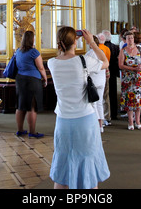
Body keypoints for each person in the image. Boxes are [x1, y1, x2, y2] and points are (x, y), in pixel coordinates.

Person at [47, 27, 110, 189]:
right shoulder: (83, 61)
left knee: (63, 166)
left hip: (63, 120)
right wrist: (92, 43)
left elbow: (62, 57)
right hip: (85, 120)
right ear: (76, 41)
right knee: (88, 164)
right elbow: (105, 62)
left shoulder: (52, 63)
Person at [15, 30, 47, 138]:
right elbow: (41, 67)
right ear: (32, 39)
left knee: (20, 105)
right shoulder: (34, 52)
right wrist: (45, 78)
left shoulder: (18, 51)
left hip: (20, 80)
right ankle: (32, 132)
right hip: (32, 80)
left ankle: (20, 130)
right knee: (32, 106)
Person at [118, 31, 141, 130]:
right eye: (128, 38)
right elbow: (121, 65)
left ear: (134, 39)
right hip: (128, 78)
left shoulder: (139, 49)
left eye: (131, 38)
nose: (130, 40)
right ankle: (130, 122)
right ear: (125, 40)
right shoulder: (123, 51)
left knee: (138, 100)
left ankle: (138, 121)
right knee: (129, 100)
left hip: (139, 78)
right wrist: (132, 69)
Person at [85, 36, 106, 132]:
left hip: (94, 81)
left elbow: (87, 69)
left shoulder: (89, 54)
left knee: (93, 104)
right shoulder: (101, 52)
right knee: (100, 103)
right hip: (102, 80)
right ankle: (101, 125)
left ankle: (97, 124)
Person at [102, 30, 120, 120]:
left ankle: (106, 114)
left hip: (104, 72)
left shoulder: (102, 47)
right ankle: (114, 113)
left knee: (105, 94)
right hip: (113, 72)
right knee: (113, 93)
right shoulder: (115, 47)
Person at [97, 32, 111, 126]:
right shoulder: (107, 48)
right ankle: (107, 117)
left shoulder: (99, 50)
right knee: (105, 96)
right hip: (106, 72)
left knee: (101, 98)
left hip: (100, 73)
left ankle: (103, 117)